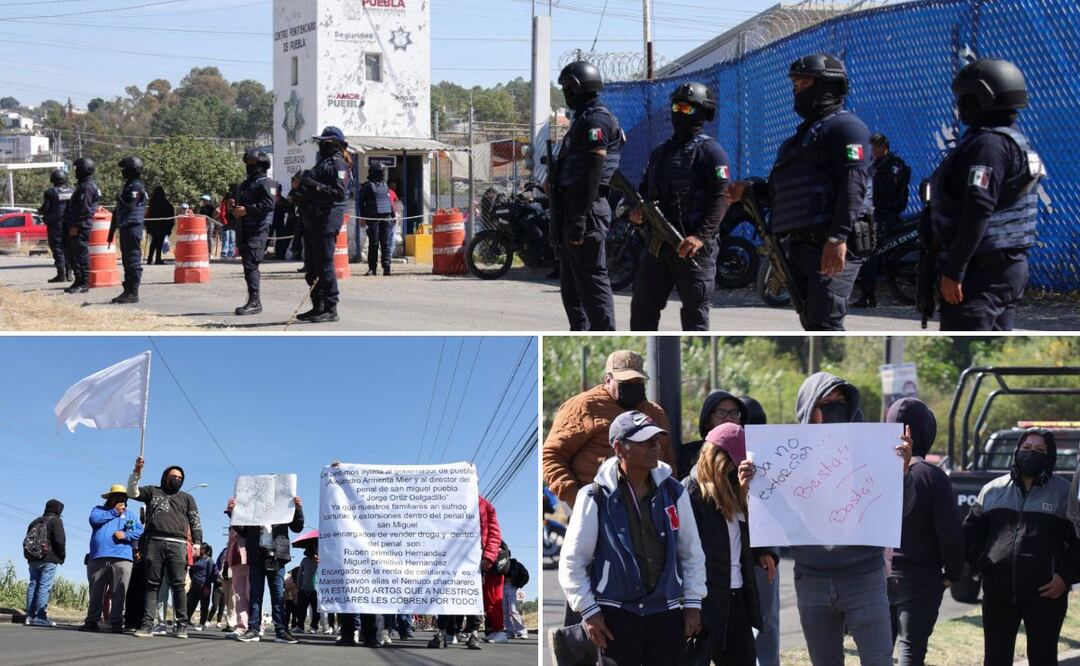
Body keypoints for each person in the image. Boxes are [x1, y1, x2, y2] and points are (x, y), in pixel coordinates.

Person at [727, 54, 873, 331]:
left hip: (830, 244)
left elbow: (854, 184)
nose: (797, 91)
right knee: (812, 321)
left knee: (825, 324)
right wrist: (749, 188)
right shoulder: (801, 138)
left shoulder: (846, 128)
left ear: (828, 87)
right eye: (794, 86)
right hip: (800, 246)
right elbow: (779, 190)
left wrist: (837, 237)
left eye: (804, 83)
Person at [559, 410, 707, 664]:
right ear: (619, 448)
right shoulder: (593, 496)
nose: (655, 446)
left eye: (656, 440)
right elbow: (573, 561)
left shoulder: (675, 492)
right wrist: (588, 610)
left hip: (666, 612)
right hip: (615, 616)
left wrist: (693, 602)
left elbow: (691, 551)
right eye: (644, 441)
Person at [787, 372, 913, 665]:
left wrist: (903, 473)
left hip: (863, 576)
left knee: (879, 660)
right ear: (808, 408)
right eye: (825, 401)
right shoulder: (786, 453)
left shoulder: (874, 448)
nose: (833, 407)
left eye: (839, 401)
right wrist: (751, 487)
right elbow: (770, 515)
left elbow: (901, 510)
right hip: (811, 579)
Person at [930, 59, 1044, 331]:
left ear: (983, 98)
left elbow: (978, 209)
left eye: (965, 97)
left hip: (982, 271)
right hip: (1003, 268)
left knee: (966, 336)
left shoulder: (988, 146)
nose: (960, 104)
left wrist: (955, 270)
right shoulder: (1012, 140)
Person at [963, 427, 1080, 665]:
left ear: (1050, 456)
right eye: (1026, 449)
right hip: (998, 595)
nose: (1031, 454)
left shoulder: (1063, 493)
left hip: (1047, 596)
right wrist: (983, 564)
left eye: (1039, 450)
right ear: (1016, 451)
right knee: (995, 659)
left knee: (1043, 659)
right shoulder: (992, 490)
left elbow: (1078, 543)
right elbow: (969, 534)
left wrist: (1065, 578)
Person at [629, 82, 731, 331]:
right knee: (642, 309)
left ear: (702, 113)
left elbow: (723, 197)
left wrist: (700, 236)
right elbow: (645, 191)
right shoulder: (660, 153)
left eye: (687, 109)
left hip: (693, 249)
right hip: (658, 247)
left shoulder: (711, 152)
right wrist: (638, 211)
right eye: (676, 107)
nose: (679, 113)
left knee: (695, 316)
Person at [683, 423, 776, 665]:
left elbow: (740, 536)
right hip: (704, 599)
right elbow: (685, 551)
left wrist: (761, 552)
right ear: (714, 458)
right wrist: (690, 603)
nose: (735, 471)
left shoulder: (739, 488)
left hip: (738, 597)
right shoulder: (691, 491)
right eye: (731, 464)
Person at [884, 398, 964, 666]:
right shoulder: (932, 477)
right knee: (911, 649)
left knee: (877, 652)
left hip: (876, 575)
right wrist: (953, 574)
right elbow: (950, 534)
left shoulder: (873, 473)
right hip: (921, 578)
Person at [542, 349, 674, 508]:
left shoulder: (655, 413)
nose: (632, 387)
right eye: (625, 383)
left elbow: (668, 462)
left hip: (645, 509)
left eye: (637, 382)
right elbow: (552, 455)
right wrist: (576, 500)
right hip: (594, 503)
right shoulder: (584, 407)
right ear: (608, 379)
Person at [552, 60, 624, 331]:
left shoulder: (597, 119)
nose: (566, 93)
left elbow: (594, 169)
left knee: (592, 281)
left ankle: (604, 334)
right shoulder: (581, 119)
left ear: (581, 87)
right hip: (573, 209)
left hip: (588, 210)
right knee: (571, 286)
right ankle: (580, 332)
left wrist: (580, 217)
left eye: (569, 86)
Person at [126, 457, 202, 639]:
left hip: (178, 545)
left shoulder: (187, 498)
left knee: (178, 585)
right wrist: (136, 473)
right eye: (173, 476)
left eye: (179, 477)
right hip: (154, 542)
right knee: (152, 584)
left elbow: (195, 520)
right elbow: (132, 493)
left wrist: (197, 542)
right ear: (165, 476)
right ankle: (147, 624)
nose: (176, 479)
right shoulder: (152, 491)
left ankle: (181, 625)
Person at [292, 126, 351, 323]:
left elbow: (338, 193)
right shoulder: (322, 164)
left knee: (325, 265)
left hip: (327, 219)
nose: (320, 145)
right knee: (311, 266)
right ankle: (317, 306)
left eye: (323, 142)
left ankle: (331, 307)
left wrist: (313, 185)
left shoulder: (338, 165)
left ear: (331, 143)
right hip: (313, 219)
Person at [428, 494, 503, 650]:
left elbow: (494, 534)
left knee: (473, 596)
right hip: (450, 556)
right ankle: (442, 632)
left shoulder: (485, 505)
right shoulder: (447, 502)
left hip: (475, 557)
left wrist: (489, 556)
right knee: (446, 595)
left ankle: (473, 633)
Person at [228, 494, 304, 644]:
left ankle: (281, 631)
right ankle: (254, 629)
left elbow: (297, 527)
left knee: (277, 596)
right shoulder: (254, 512)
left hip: (277, 557)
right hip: (256, 556)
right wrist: (233, 513)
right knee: (255, 594)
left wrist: (297, 508)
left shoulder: (283, 510)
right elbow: (243, 531)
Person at [739, 395, 780, 666]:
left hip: (763, 550)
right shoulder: (714, 456)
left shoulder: (773, 456)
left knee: (766, 620)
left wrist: (766, 551)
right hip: (738, 552)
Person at [853, 133, 910, 308]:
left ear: (885, 146)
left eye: (878, 146)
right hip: (867, 213)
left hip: (884, 215)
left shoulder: (893, 165)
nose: (874, 150)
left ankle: (868, 295)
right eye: (872, 146)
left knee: (869, 250)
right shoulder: (871, 164)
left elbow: (888, 191)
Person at [79, 485, 143, 633]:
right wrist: (114, 512)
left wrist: (126, 536)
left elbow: (140, 531)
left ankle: (116, 623)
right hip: (98, 557)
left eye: (124, 497)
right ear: (110, 498)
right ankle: (92, 621)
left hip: (122, 558)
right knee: (96, 592)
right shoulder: (98, 510)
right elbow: (93, 520)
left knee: (118, 592)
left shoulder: (131, 515)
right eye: (117, 496)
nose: (121, 499)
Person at [233, 148, 278, 316]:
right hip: (246, 228)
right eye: (248, 163)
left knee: (252, 264)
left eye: (252, 163)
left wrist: (247, 210)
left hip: (258, 228)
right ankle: (253, 300)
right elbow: (242, 207)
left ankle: (255, 302)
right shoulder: (248, 184)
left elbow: (268, 204)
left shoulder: (266, 182)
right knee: (247, 264)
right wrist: (234, 206)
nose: (249, 166)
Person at [677, 389, 748, 481]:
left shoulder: (749, 454)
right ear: (707, 421)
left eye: (734, 413)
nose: (729, 418)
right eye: (721, 413)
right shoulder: (688, 454)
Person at [110, 156, 148, 304]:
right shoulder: (130, 184)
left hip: (133, 226)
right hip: (127, 225)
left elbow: (130, 205)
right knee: (127, 259)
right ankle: (127, 290)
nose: (123, 172)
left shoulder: (136, 186)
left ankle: (133, 292)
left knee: (133, 259)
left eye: (125, 169)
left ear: (132, 170)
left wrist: (119, 198)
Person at [23, 499, 66, 627]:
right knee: (44, 587)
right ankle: (40, 617)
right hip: (49, 559)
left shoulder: (34, 521)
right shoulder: (56, 521)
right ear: (58, 509)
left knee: (33, 585)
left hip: (33, 559)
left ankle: (30, 616)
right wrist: (61, 556)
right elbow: (60, 541)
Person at [62, 157, 101, 295]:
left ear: (84, 170)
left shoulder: (87, 187)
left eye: (78, 169)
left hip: (80, 226)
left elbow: (84, 210)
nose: (76, 171)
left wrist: (76, 226)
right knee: (73, 254)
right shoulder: (83, 185)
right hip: (76, 224)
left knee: (80, 255)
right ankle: (78, 280)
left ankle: (84, 282)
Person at [38, 168, 73, 283]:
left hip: (55, 224)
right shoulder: (72, 191)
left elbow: (46, 208)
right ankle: (69, 273)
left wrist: (40, 211)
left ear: (53, 179)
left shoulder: (51, 192)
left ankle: (61, 274)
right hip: (69, 223)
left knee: (57, 248)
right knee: (68, 247)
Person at [359, 163, 393, 276]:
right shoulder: (367, 185)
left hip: (386, 217)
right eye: (381, 171)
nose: (383, 173)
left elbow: (389, 201)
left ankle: (387, 267)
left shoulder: (385, 184)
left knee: (386, 244)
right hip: (372, 218)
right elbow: (361, 203)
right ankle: (372, 268)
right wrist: (363, 217)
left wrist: (393, 215)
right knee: (374, 244)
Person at [222, 523, 249, 636]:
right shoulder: (232, 525)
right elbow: (230, 544)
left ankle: (257, 625)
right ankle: (241, 626)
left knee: (252, 594)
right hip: (235, 561)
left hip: (250, 559)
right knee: (238, 596)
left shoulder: (251, 520)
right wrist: (226, 564)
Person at [186, 543, 213, 630]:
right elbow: (191, 571)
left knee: (204, 605)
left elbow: (211, 574)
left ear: (203, 550)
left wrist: (207, 586)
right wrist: (193, 580)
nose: (196, 550)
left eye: (199, 549)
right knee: (190, 603)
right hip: (195, 585)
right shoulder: (196, 560)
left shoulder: (209, 560)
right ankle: (186, 620)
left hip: (204, 585)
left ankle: (202, 623)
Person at [146, 186, 175, 265]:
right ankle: (157, 258)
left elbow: (148, 215)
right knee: (159, 242)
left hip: (153, 225)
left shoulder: (152, 204)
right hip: (162, 226)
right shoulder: (165, 204)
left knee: (154, 242)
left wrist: (148, 226)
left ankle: (150, 258)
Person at [503, 558, 529, 639]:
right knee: (504, 610)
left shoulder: (516, 564)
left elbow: (525, 575)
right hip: (500, 586)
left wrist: (519, 584)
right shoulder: (498, 563)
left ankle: (522, 631)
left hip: (511, 586)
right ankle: (509, 631)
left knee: (513, 609)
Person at [295, 546, 319, 633]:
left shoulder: (320, 561)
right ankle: (300, 626)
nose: (309, 556)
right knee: (301, 609)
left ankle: (314, 627)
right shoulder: (304, 560)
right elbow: (300, 573)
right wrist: (298, 586)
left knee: (316, 610)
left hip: (316, 590)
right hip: (303, 589)